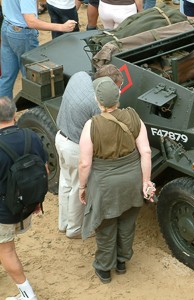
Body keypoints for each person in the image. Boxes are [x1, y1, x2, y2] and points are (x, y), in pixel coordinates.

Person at [79, 77, 154, 284]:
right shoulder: (133, 116)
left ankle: (104, 269)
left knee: (105, 226)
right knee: (127, 224)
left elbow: (85, 163)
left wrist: (82, 186)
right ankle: (121, 262)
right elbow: (145, 151)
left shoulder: (91, 125)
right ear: (118, 96)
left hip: (105, 185)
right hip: (132, 181)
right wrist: (146, 181)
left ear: (98, 101)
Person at [56, 64, 123, 239]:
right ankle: (75, 229)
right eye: (117, 88)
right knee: (80, 187)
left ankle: (63, 223)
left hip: (60, 137)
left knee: (66, 182)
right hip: (76, 148)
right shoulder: (96, 103)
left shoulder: (79, 75)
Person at [0, 96, 48, 300]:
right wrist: (36, 200)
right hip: (27, 205)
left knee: (6, 250)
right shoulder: (31, 136)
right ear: (14, 113)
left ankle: (27, 295)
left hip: (5, 212)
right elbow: (44, 170)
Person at [0, 0, 77, 100]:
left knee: (7, 77)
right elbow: (31, 21)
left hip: (7, 26)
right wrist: (62, 27)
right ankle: (34, 112)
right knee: (32, 79)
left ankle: (3, 113)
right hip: (22, 34)